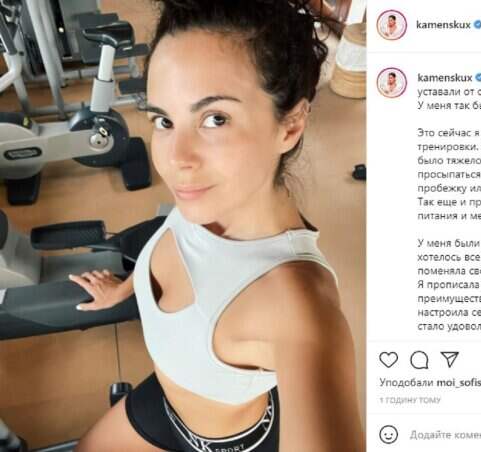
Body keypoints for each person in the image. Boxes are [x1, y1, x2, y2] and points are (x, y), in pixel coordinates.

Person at [69, 1, 364, 451]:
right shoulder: (206, 203)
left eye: (215, 119)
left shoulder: (300, 307)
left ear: (290, 125)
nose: (176, 158)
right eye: (164, 120)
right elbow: (181, 257)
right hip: (166, 401)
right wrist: (125, 288)